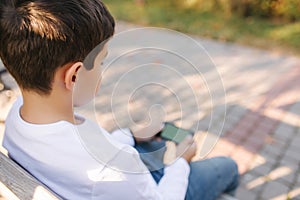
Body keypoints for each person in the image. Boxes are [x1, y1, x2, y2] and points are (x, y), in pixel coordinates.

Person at [0, 0, 239, 199]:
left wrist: (130, 135)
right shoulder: (113, 167)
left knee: (155, 145)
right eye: (102, 61)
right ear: (74, 76)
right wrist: (182, 162)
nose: (103, 70)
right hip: (152, 190)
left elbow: (102, 159)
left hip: (103, 184)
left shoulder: (18, 113)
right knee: (227, 167)